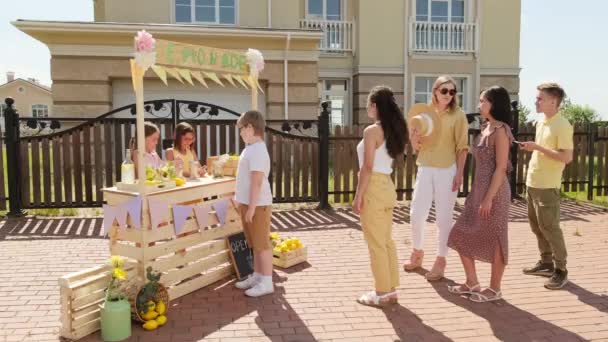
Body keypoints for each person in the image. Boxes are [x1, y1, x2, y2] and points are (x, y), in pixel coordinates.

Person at [447, 86, 513, 302]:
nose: (479, 105)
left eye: (483, 101)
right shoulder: (486, 128)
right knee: (459, 233)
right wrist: (476, 194)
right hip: (478, 191)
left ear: (494, 104)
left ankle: (495, 289)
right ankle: (472, 282)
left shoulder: (501, 130)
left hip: (495, 192)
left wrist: (488, 198)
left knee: (496, 238)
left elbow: (501, 167)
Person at [404, 75, 469, 281]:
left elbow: (462, 147)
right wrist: (414, 140)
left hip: (447, 170)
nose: (448, 95)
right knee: (416, 213)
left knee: (443, 219)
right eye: (444, 91)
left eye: (452, 92)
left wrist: (459, 173)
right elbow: (416, 147)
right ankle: (417, 252)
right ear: (435, 91)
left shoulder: (458, 115)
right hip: (425, 167)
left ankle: (441, 260)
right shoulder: (424, 114)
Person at [353, 85, 407, 307]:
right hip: (387, 185)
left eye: (368, 104)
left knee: (376, 243)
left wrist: (358, 196)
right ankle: (390, 289)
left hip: (374, 187)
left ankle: (382, 292)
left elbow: (366, 167)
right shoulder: (394, 129)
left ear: (375, 106)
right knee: (385, 241)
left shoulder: (372, 131)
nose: (367, 107)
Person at [520, 82, 573, 290]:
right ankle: (546, 263)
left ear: (553, 101)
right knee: (537, 227)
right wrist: (533, 148)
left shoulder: (562, 125)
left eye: (540, 98)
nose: (536, 101)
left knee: (551, 228)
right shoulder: (542, 122)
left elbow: (566, 157)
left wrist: (538, 147)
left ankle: (561, 270)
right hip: (533, 182)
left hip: (548, 186)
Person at [233, 110, 274, 297]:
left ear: (250, 127)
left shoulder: (257, 150)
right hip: (249, 204)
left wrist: (250, 208)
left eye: (242, 129)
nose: (240, 132)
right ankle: (257, 276)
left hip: (258, 205)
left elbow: (257, 181)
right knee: (254, 243)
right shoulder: (250, 148)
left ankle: (267, 281)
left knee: (262, 244)